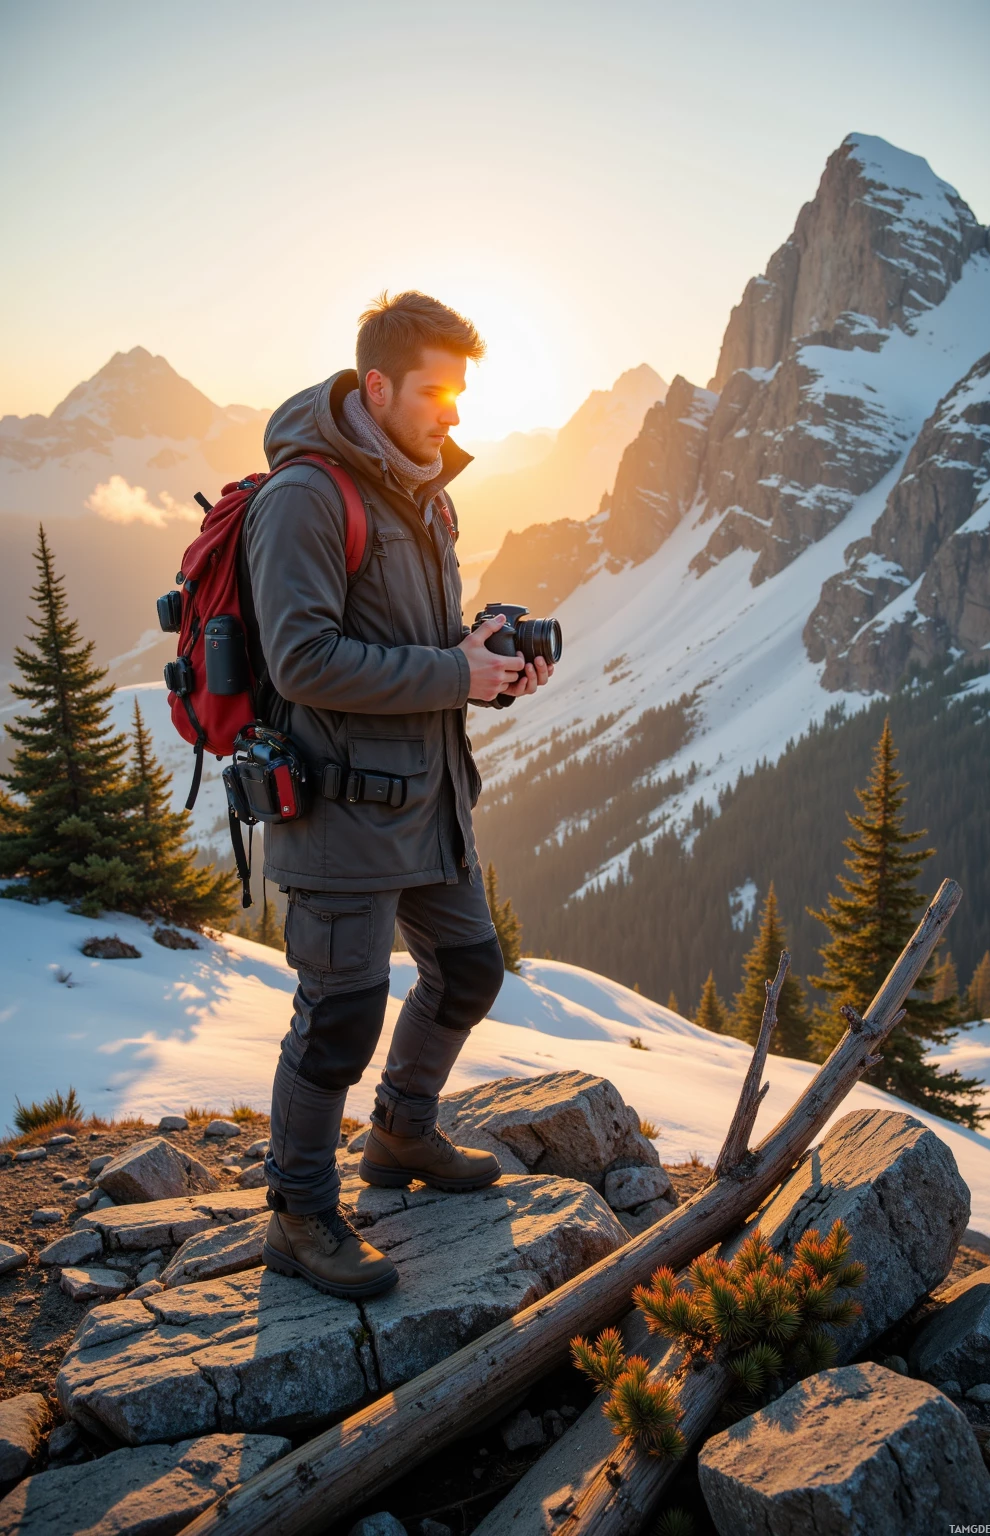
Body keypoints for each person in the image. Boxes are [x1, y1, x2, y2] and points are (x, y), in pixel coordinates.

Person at [244, 290, 555, 1298]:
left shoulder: (425, 491)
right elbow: (301, 661)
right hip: (339, 809)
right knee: (338, 1016)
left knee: (466, 970)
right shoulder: (305, 496)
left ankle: (400, 1137)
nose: (454, 415)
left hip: (425, 803)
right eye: (437, 393)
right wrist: (451, 675)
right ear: (377, 388)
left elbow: (419, 646)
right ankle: (297, 1213)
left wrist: (487, 664)